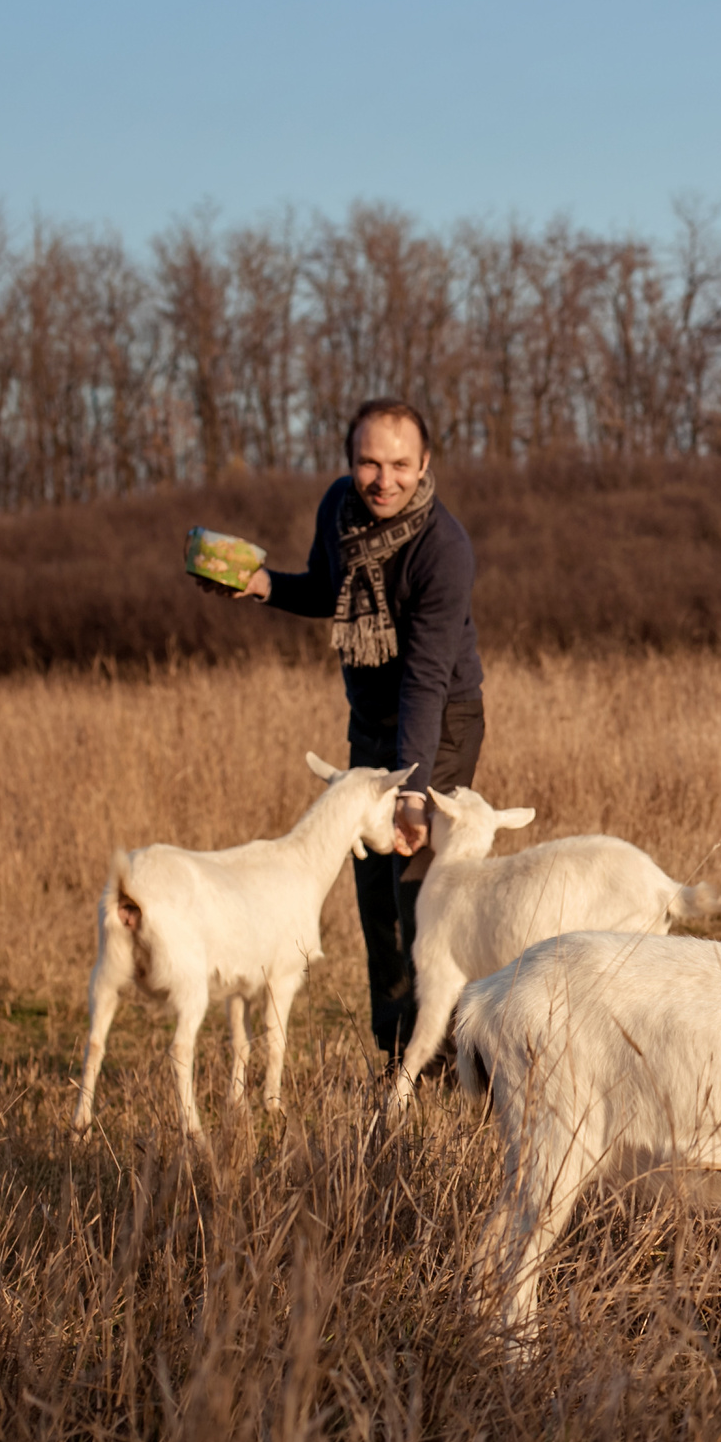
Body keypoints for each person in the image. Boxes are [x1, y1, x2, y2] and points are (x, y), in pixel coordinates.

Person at [213, 397, 485, 1066]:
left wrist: (416, 793)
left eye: (399, 463)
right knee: (373, 896)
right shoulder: (338, 509)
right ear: (349, 462)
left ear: (424, 465)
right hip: (370, 726)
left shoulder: (442, 549)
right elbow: (325, 591)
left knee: (421, 892)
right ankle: (400, 1051)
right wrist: (262, 585)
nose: (382, 479)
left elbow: (425, 679)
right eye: (368, 461)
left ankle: (454, 1053)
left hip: (440, 723)